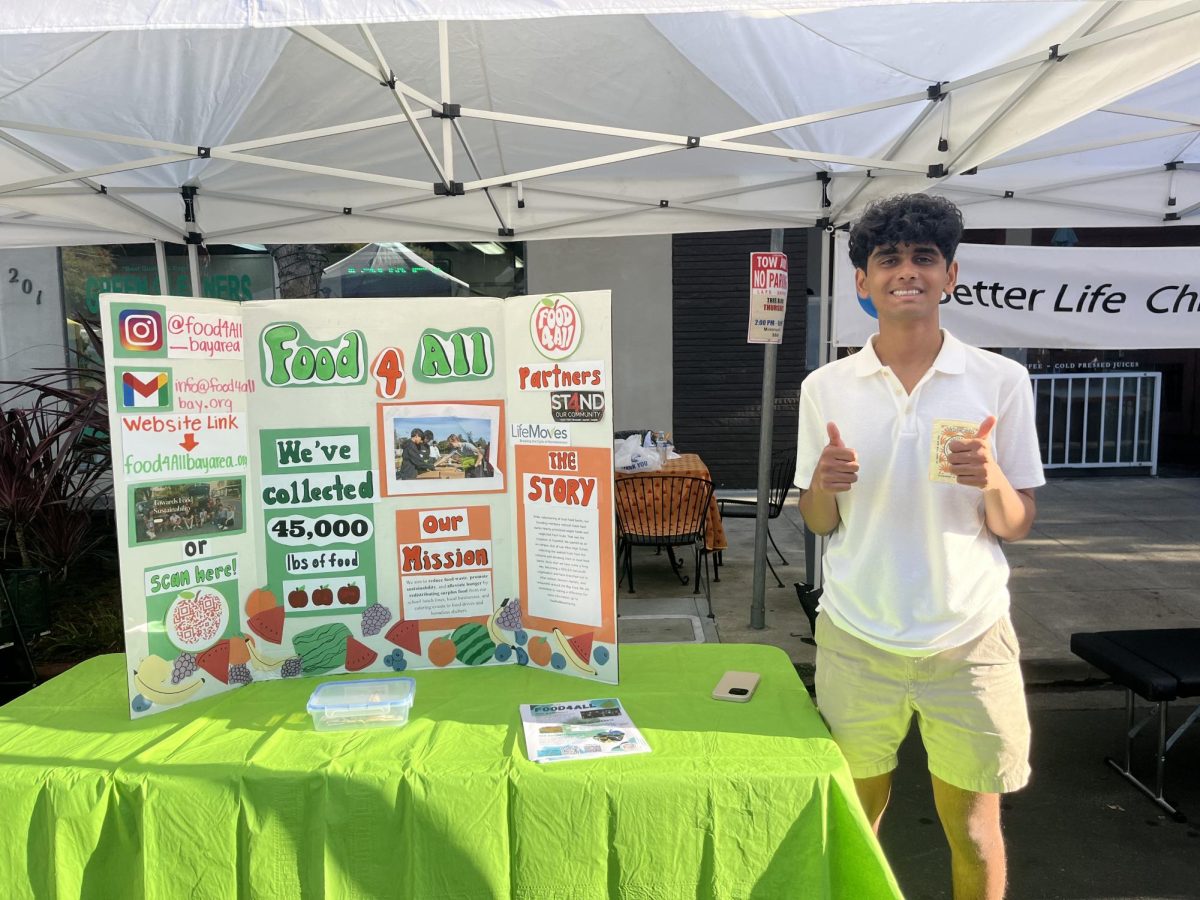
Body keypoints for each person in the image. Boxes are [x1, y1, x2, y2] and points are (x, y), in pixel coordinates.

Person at [795, 193, 1044, 900]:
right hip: (856, 636)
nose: (907, 272)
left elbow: (1016, 522)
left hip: (968, 639)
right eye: (889, 260)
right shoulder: (825, 388)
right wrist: (821, 482)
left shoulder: (1001, 381)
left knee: (972, 832)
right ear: (862, 283)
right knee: (853, 822)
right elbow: (818, 523)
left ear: (951, 274)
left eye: (923, 259)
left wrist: (991, 476)